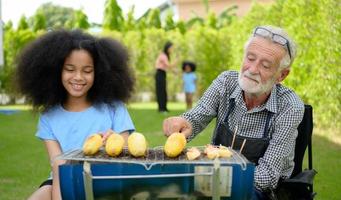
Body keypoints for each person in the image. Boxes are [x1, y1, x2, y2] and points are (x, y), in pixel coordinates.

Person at [162, 25, 305, 199]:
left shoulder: (290, 106)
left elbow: (266, 177)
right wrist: (182, 124)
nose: (252, 69)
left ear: (281, 75)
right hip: (214, 178)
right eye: (250, 58)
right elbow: (195, 118)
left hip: (260, 191)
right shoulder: (226, 82)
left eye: (265, 65)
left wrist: (217, 182)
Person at [15, 29, 135, 200]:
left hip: (106, 181)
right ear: (57, 71)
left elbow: (127, 153)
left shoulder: (113, 107)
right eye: (70, 69)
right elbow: (59, 167)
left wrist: (114, 142)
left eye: (87, 71)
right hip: (64, 181)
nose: (78, 77)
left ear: (99, 72)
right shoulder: (49, 117)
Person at [154, 41, 177, 113]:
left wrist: (174, 71)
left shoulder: (165, 56)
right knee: (160, 91)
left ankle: (164, 108)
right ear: (167, 48)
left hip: (163, 74)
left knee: (163, 91)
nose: (172, 50)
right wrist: (176, 61)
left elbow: (167, 67)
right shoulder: (163, 55)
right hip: (159, 74)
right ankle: (161, 109)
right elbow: (168, 65)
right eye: (171, 48)